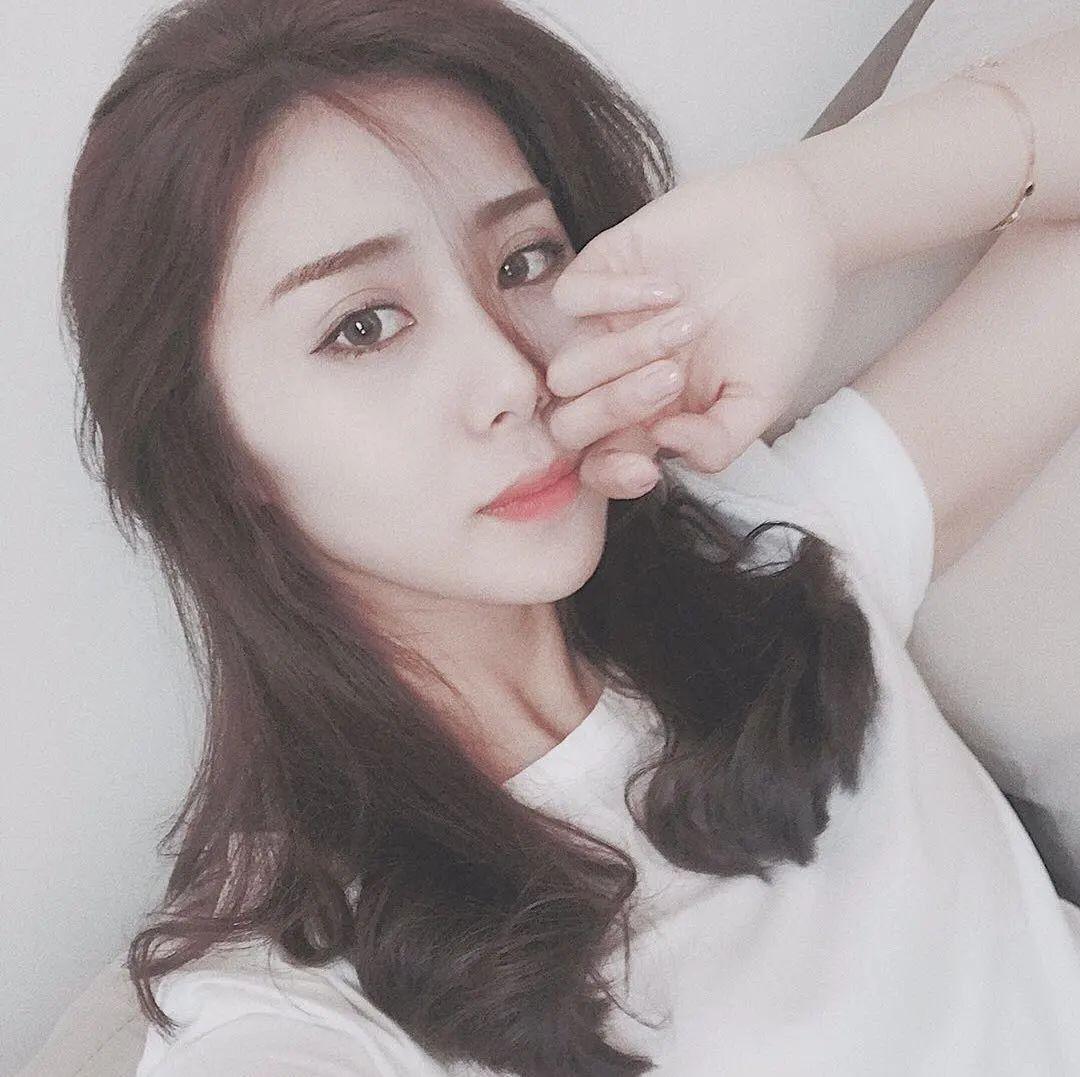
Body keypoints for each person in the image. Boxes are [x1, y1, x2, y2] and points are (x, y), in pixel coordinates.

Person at [57, 0, 1080, 1073]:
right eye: (364, 325)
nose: (514, 376)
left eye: (525, 260)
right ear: (213, 446)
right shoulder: (292, 991)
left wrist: (812, 208)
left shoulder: (765, 550)